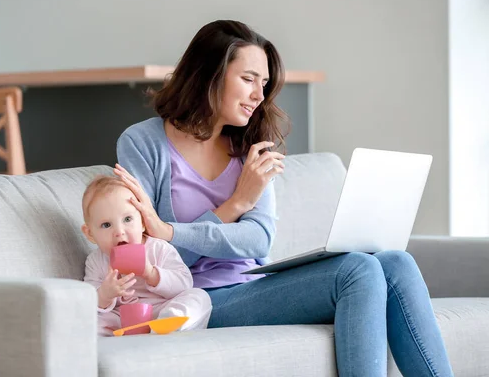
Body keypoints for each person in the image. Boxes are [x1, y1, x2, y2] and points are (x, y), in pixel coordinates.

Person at [113, 20, 454, 375]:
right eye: (248, 79)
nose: (259, 96)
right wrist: (235, 206)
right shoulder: (144, 143)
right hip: (194, 300)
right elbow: (144, 256)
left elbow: (258, 240)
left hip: (251, 287)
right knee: (357, 269)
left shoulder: (249, 147)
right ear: (209, 75)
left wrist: (172, 230)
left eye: (263, 83)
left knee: (396, 263)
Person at [81, 175, 212, 337]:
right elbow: (88, 301)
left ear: (142, 222)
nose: (119, 232)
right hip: (120, 319)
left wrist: (151, 273)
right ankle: (108, 339)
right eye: (106, 225)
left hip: (161, 311)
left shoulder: (158, 248)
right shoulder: (96, 261)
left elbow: (184, 283)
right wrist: (105, 293)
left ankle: (168, 325)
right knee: (90, 321)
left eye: (127, 219)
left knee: (199, 296)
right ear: (90, 234)